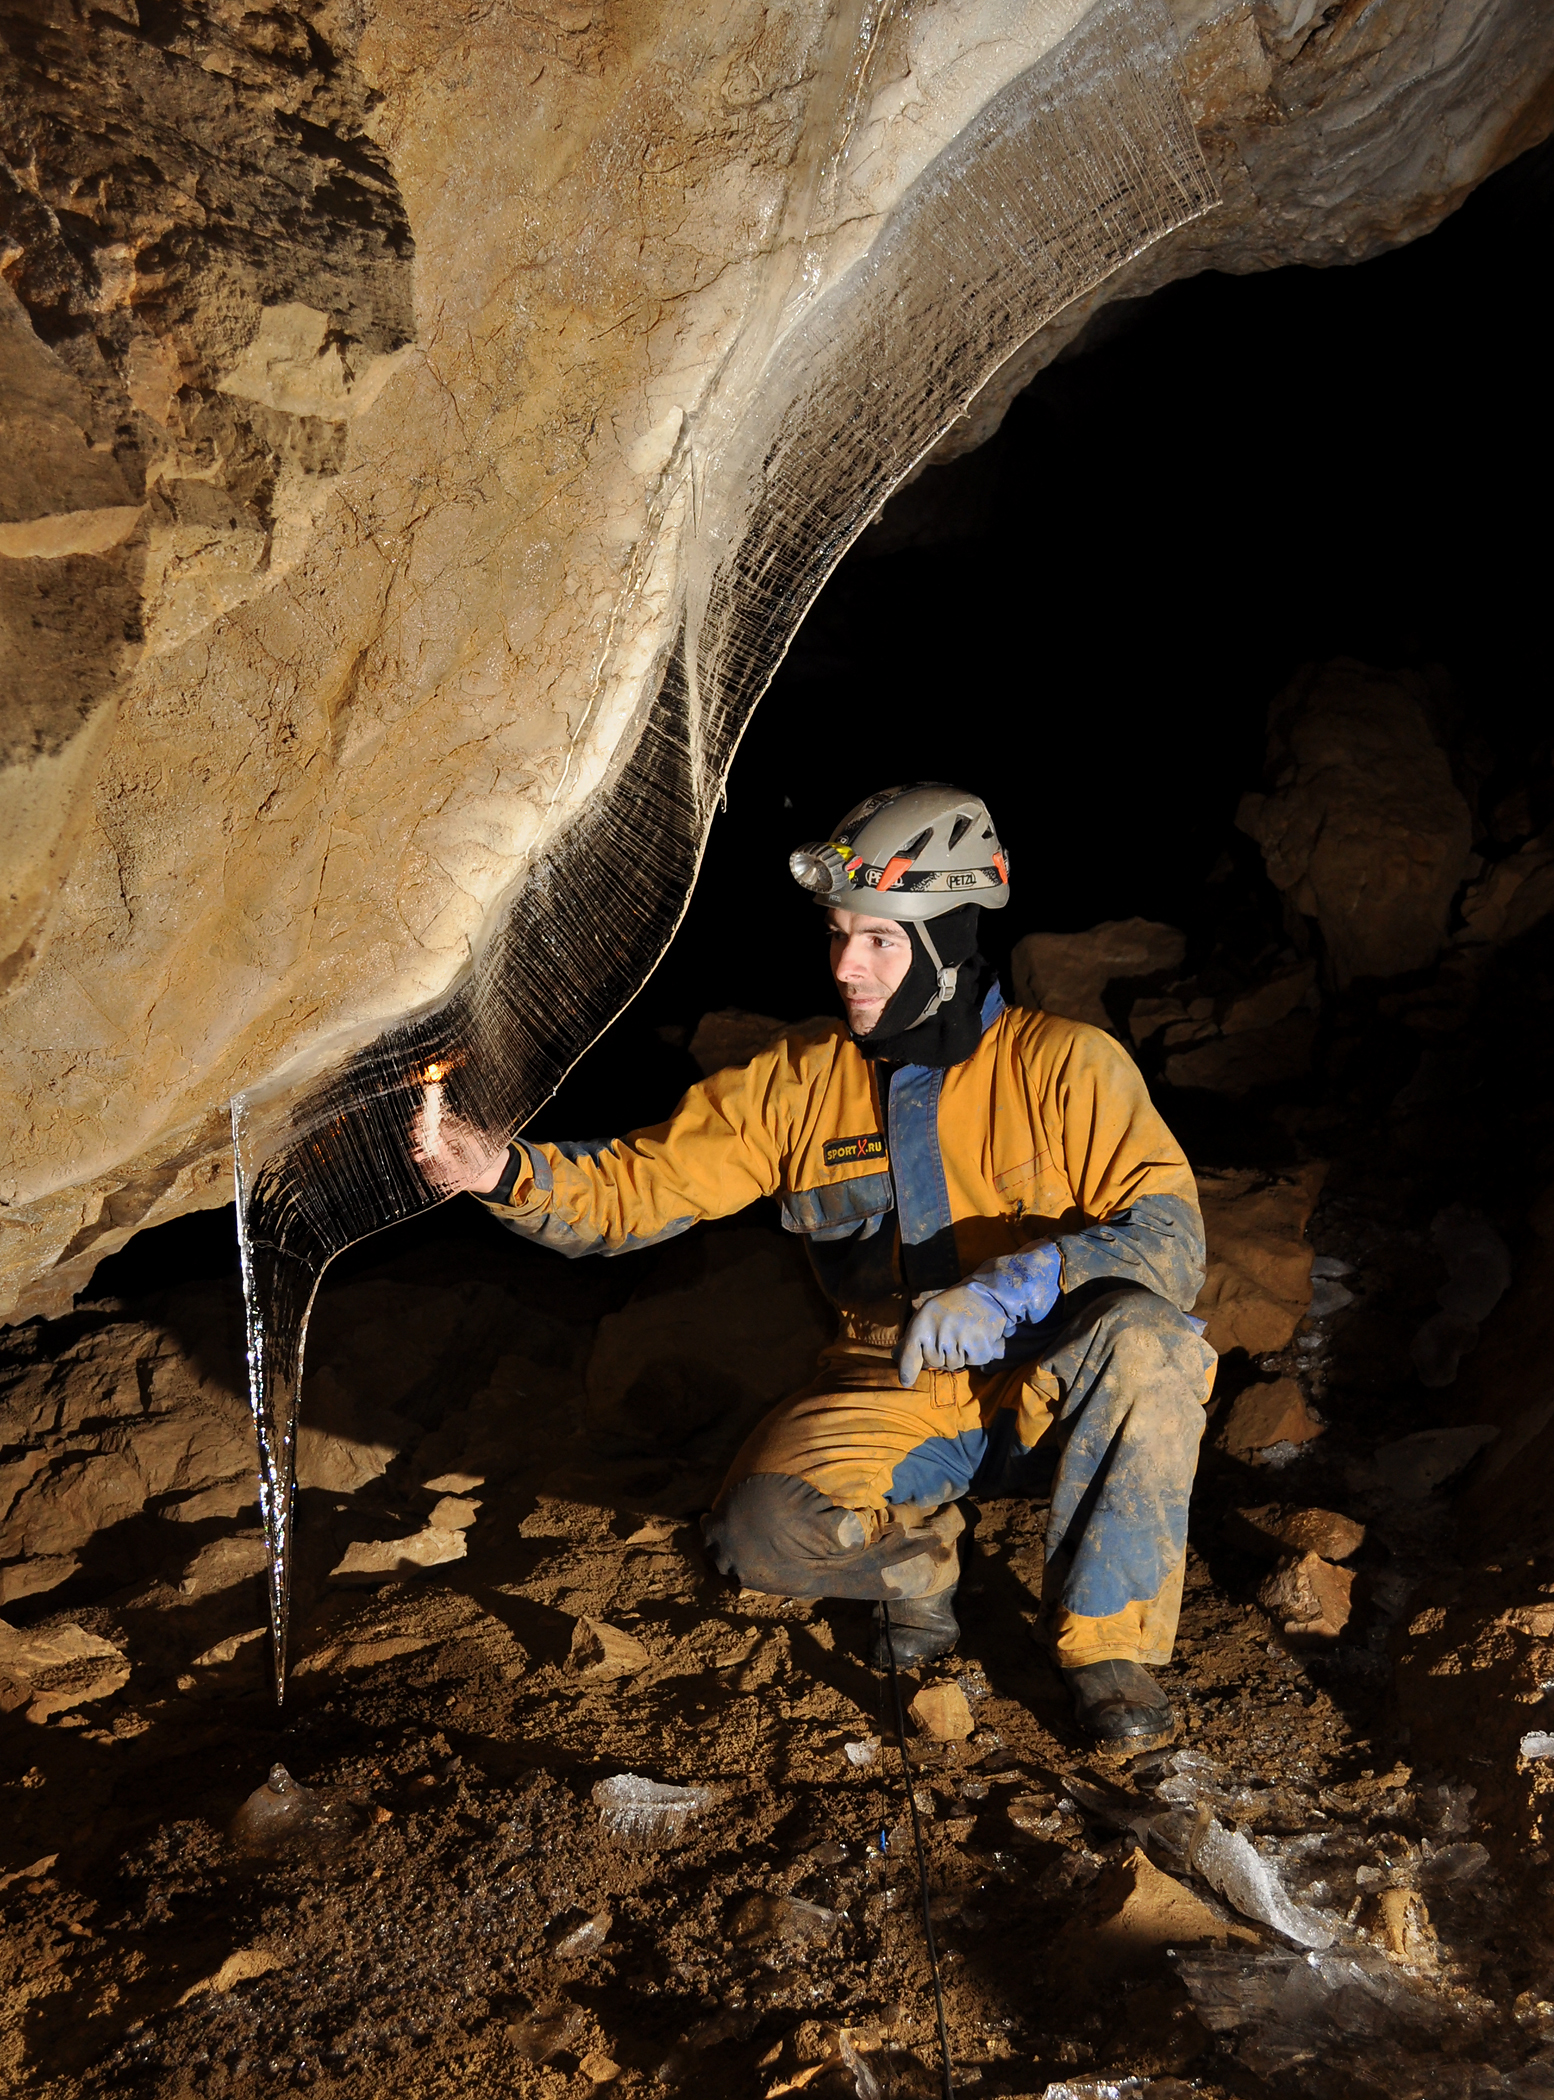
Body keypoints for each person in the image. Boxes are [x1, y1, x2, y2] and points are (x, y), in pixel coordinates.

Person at [414, 783, 1216, 1753]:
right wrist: (499, 1171)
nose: (846, 966)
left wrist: (1020, 1284)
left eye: (879, 940)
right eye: (838, 934)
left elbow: (1170, 1237)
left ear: (950, 940)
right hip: (895, 1384)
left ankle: (1105, 1649)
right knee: (753, 1535)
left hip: (1053, 1377)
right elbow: (640, 1188)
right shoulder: (798, 1083)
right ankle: (919, 1563)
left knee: (1152, 1342)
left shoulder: (1065, 1066)